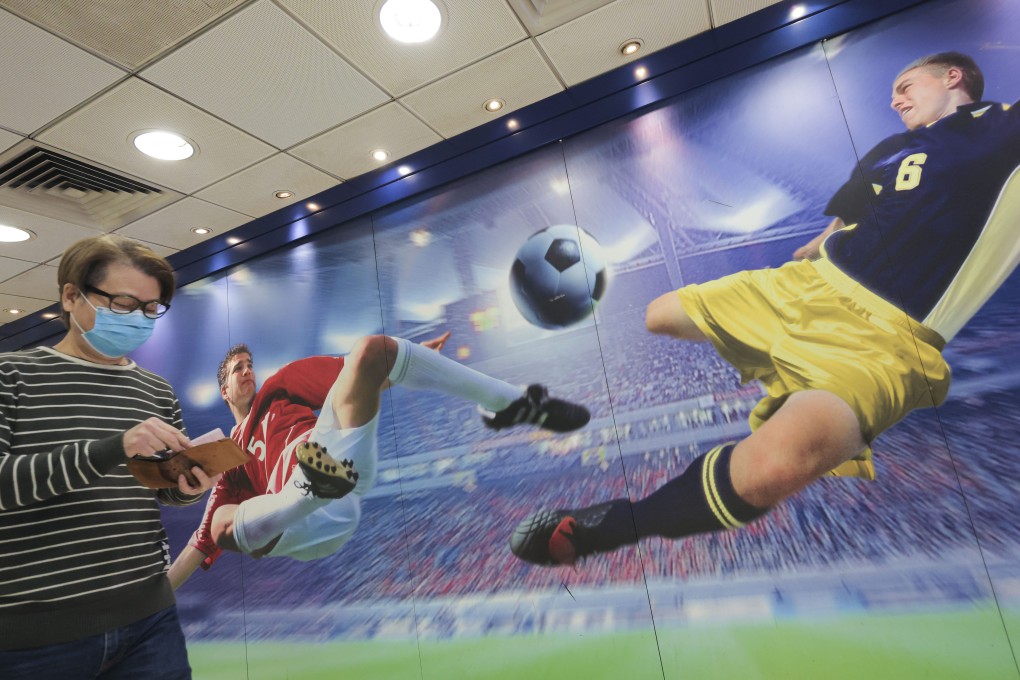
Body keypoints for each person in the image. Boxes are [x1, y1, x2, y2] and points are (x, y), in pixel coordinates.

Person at [510, 51, 1020, 566]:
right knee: (660, 314)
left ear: (952, 77)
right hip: (810, 285)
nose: (895, 100)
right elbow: (844, 220)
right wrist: (816, 244)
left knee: (772, 470)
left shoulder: (1003, 130)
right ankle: (777, 369)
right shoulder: (890, 150)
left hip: (886, 338)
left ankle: (608, 527)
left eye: (906, 86)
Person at [167, 332, 590, 587]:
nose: (247, 371)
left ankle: (512, 402)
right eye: (237, 369)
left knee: (370, 350)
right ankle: (305, 489)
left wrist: (409, 357)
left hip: (340, 472)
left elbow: (357, 375)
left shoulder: (280, 388)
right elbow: (197, 547)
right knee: (221, 523)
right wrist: (146, 605)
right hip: (299, 522)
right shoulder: (227, 458)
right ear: (224, 391)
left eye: (249, 365)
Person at [0, 235, 219, 678]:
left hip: (149, 619)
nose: (138, 318)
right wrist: (113, 448)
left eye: (151, 308)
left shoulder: (156, 390)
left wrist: (189, 487)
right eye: (123, 303)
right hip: (35, 635)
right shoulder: (12, 374)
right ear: (70, 296)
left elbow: (160, 492)